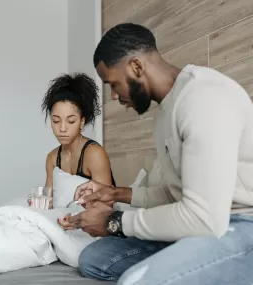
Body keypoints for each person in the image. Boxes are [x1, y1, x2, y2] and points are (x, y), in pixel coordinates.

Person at [64, 23, 253, 284]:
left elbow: (205, 218)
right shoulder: (166, 111)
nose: (115, 96)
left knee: (137, 280)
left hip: (241, 226)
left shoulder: (204, 99)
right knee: (95, 259)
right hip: (202, 226)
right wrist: (118, 193)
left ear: (136, 67)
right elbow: (174, 192)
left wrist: (114, 222)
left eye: (114, 84)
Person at [41, 73, 116, 209]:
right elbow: (49, 201)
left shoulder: (94, 154)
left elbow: (105, 205)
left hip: (94, 222)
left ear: (82, 121)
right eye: (56, 120)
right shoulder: (52, 158)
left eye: (71, 121)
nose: (62, 128)